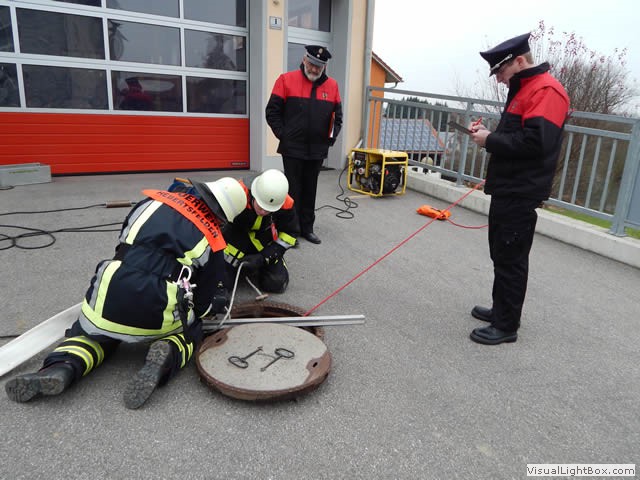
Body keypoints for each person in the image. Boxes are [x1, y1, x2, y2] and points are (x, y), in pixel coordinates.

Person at [5, 177, 247, 408]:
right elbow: (203, 302)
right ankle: (167, 354)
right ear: (222, 217)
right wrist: (213, 304)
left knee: (92, 334)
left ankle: (63, 367)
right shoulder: (214, 240)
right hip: (157, 307)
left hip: (111, 288)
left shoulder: (150, 203)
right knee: (192, 331)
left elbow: (122, 244)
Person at [468, 32, 570, 345]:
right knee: (501, 252)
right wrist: (487, 134)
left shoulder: (547, 90)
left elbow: (536, 143)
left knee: (511, 257)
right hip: (508, 186)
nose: (499, 79)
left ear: (520, 61)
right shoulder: (525, 88)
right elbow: (517, 136)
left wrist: (490, 140)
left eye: (500, 71)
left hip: (522, 189)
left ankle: (506, 325)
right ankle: (501, 309)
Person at [265, 45, 343, 245]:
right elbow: (272, 112)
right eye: (312, 64)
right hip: (292, 148)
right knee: (292, 191)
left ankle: (307, 228)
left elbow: (337, 118)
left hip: (317, 150)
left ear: (324, 67)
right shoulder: (286, 80)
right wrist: (284, 136)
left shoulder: (332, 86)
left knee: (310, 190)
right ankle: (290, 230)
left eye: (319, 66)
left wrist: (329, 140)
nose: (314, 69)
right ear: (304, 60)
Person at [221, 169, 299, 294]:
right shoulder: (237, 193)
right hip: (235, 237)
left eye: (268, 210)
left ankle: (259, 266)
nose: (263, 212)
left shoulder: (285, 203)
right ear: (254, 194)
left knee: (275, 283)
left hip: (264, 241)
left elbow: (290, 234)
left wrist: (265, 257)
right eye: (261, 206)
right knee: (222, 282)